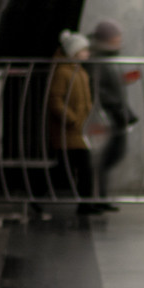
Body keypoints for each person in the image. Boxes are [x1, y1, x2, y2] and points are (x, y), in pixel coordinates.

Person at [46, 31, 97, 217]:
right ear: (74, 52)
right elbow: (55, 100)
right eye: (84, 50)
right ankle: (85, 203)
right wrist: (71, 118)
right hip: (69, 130)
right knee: (76, 168)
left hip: (79, 130)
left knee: (74, 167)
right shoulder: (64, 72)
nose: (87, 53)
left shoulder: (79, 71)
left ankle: (87, 203)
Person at [87, 20, 136, 212]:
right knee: (103, 158)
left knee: (111, 155)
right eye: (116, 38)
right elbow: (100, 89)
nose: (120, 41)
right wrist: (117, 108)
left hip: (114, 114)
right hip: (106, 116)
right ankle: (96, 197)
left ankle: (100, 196)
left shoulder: (107, 58)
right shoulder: (98, 60)